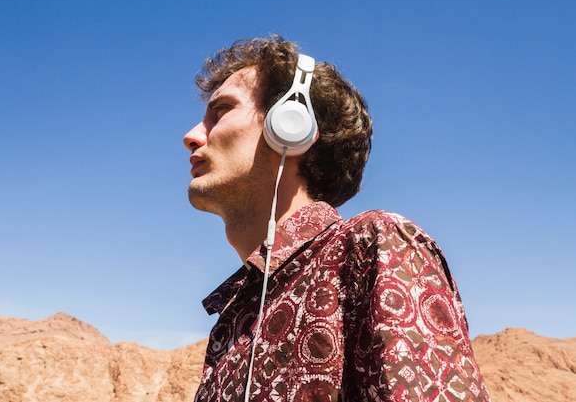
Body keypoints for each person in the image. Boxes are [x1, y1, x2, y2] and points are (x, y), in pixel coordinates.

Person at [183, 35, 491, 402]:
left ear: (289, 126)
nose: (191, 137)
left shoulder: (371, 246)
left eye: (221, 111)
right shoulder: (234, 321)